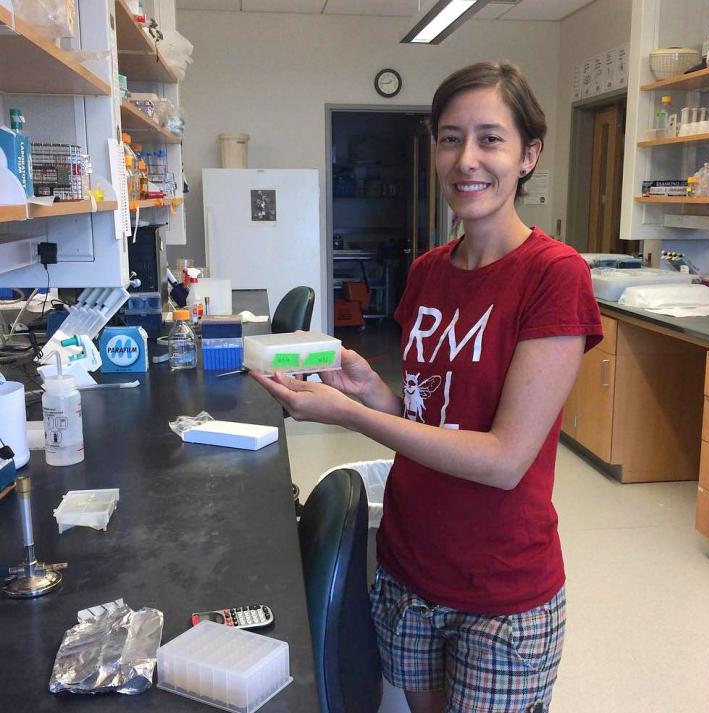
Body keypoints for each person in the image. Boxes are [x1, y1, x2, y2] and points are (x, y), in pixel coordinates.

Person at [252, 61, 603, 713]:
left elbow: (502, 459)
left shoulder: (554, 276)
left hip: (501, 590)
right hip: (409, 567)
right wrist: (369, 392)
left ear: (529, 154)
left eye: (489, 138)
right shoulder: (427, 272)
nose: (466, 159)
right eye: (449, 137)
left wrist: (352, 419)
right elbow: (433, 418)